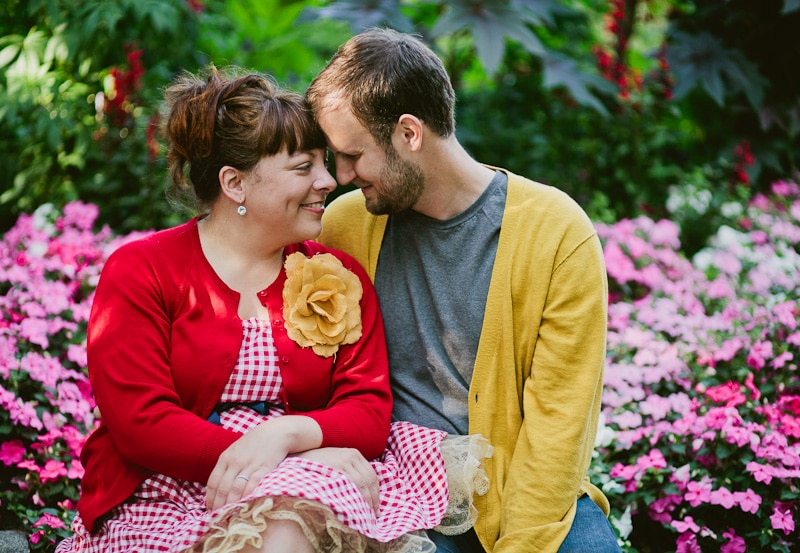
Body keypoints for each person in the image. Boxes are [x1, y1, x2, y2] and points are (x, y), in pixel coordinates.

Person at [56, 66, 491, 553]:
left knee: (287, 525)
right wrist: (288, 460)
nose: (330, 180)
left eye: (324, 163)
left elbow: (368, 411)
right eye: (303, 167)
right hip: (165, 489)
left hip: (307, 486)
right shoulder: (142, 271)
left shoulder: (336, 274)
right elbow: (142, 421)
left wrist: (285, 436)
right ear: (234, 184)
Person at [307, 28, 621, 553]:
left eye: (352, 155)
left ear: (409, 133)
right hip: (398, 493)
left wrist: (520, 543)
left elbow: (557, 430)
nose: (339, 175)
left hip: (521, 489)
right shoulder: (344, 227)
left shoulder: (556, 234)